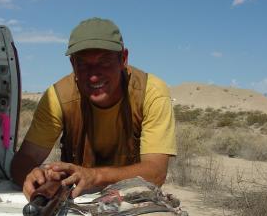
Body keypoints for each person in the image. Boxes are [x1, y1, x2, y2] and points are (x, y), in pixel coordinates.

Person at [11, 17, 176, 199]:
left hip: (131, 198)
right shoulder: (57, 97)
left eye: (104, 61)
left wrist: (94, 176)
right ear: (73, 64)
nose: (94, 76)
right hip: (75, 199)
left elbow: (156, 173)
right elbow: (23, 160)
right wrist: (31, 175)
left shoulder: (151, 93)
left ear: (123, 59)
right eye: (83, 64)